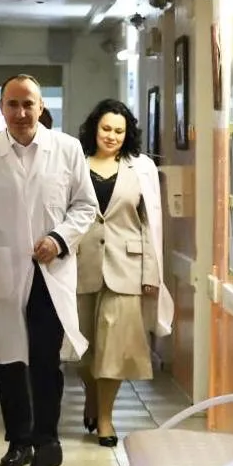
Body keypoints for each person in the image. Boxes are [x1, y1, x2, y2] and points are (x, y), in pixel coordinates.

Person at [0, 74, 98, 466]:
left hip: (50, 272)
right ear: (1, 108)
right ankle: (18, 440)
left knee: (44, 358)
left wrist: (59, 238)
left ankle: (46, 439)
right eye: (13, 104)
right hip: (2, 270)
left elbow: (85, 206)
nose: (21, 112)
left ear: (41, 107)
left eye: (28, 104)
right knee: (9, 358)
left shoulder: (67, 149)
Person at [74, 99, 174, 446]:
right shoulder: (76, 163)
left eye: (119, 130)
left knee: (114, 349)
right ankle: (91, 396)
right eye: (106, 128)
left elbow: (151, 223)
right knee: (81, 349)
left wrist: (151, 274)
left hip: (127, 268)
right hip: (80, 266)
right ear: (94, 129)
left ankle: (105, 419)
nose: (112, 136)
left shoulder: (140, 168)